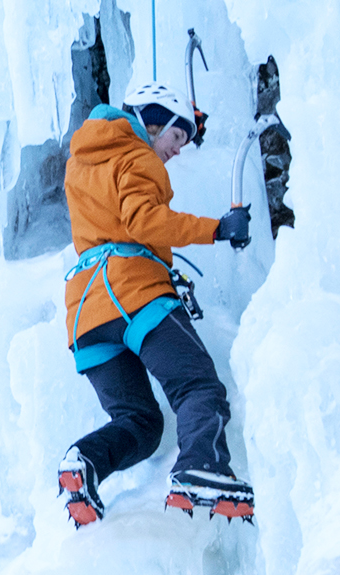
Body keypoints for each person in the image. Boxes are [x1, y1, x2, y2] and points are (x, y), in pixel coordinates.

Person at [55, 82, 255, 527]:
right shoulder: (137, 153)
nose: (177, 151)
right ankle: (201, 467)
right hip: (135, 294)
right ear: (153, 122)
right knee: (197, 387)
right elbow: (144, 221)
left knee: (140, 423)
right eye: (177, 137)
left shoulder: (81, 164)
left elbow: (111, 227)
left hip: (86, 314)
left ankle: (83, 462)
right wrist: (218, 229)